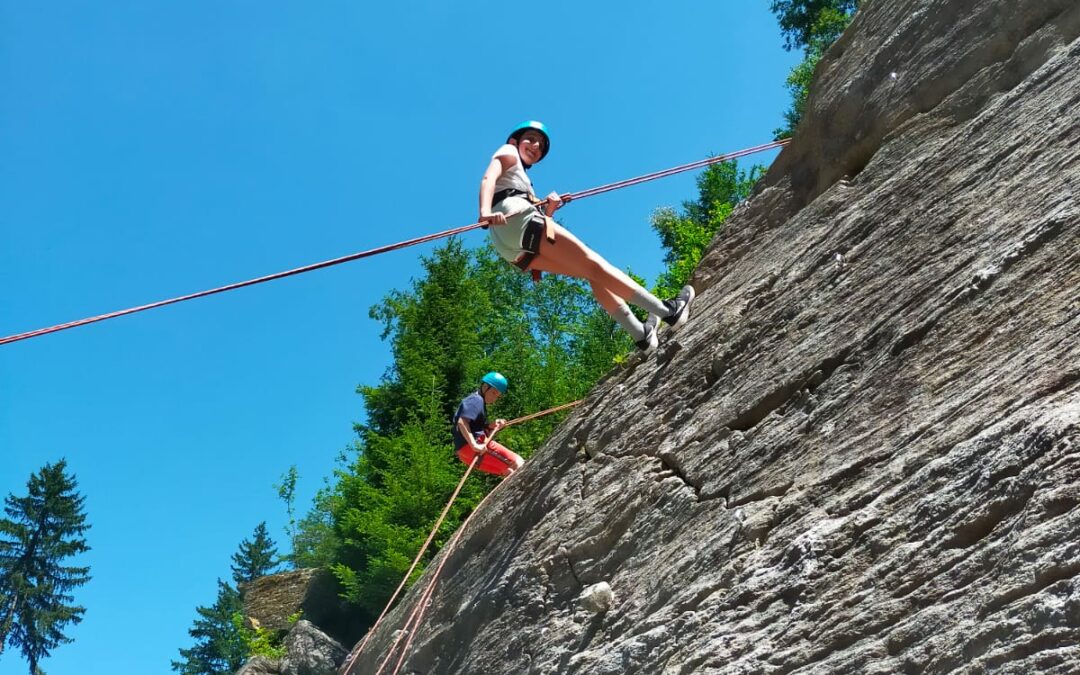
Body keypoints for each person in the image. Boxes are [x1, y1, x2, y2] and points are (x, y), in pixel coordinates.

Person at [478, 120, 695, 353]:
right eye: (530, 138)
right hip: (513, 218)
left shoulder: (522, 182)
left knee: (591, 274)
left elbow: (538, 223)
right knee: (595, 264)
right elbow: (488, 178)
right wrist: (484, 212)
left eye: (540, 145)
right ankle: (669, 311)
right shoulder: (508, 150)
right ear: (514, 141)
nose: (536, 145)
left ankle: (641, 334)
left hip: (508, 244)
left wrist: (549, 209)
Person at [453, 371, 523, 477]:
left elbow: (477, 426)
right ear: (485, 387)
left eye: (498, 396)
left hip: (464, 453)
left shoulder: (478, 402)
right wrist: (474, 444)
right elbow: (462, 421)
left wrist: (492, 425)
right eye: (494, 393)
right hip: (475, 446)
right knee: (518, 463)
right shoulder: (476, 399)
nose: (495, 398)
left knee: (508, 471)